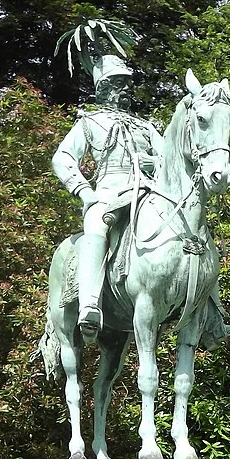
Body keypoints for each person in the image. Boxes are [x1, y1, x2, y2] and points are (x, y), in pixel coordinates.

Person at [52, 53, 162, 343]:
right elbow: (62, 158)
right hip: (109, 192)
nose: (124, 88)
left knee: (192, 228)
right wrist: (85, 192)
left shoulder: (146, 126)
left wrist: (153, 162)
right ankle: (89, 304)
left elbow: (168, 159)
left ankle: (213, 316)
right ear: (102, 88)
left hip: (149, 193)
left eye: (126, 82)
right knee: (97, 225)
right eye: (117, 82)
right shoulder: (89, 122)